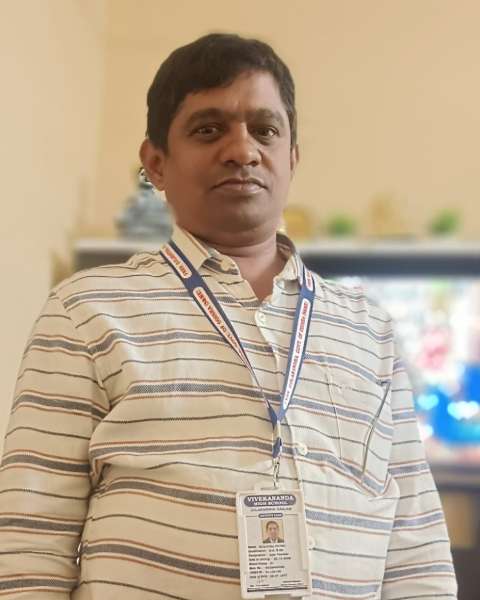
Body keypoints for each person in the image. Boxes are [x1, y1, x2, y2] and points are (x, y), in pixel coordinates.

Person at [0, 33, 457, 600]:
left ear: (292, 157)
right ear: (155, 164)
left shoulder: (370, 329)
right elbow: (30, 541)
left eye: (265, 130)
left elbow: (417, 549)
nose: (242, 150)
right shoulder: (86, 310)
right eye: (208, 129)